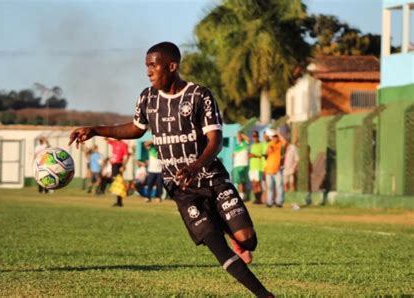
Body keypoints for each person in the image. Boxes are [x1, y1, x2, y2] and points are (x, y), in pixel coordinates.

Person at [69, 42, 273, 297]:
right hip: (182, 188)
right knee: (216, 246)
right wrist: (96, 129)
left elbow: (215, 141)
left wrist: (196, 165)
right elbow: (135, 129)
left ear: (172, 66)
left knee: (248, 239)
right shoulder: (147, 98)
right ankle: (265, 295)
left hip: (213, 179)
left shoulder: (199, 96)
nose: (148, 72)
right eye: (147, 66)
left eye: (153, 65)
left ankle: (230, 230)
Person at [264, 129, 287, 207]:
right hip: (269, 169)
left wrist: (278, 133)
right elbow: (267, 153)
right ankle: (269, 202)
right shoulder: (270, 144)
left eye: (276, 137)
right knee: (270, 186)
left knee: (279, 186)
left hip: (277, 169)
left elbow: (285, 142)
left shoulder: (280, 144)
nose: (275, 138)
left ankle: (279, 202)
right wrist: (269, 150)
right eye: (273, 137)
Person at [107, 138, 130, 207]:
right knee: (115, 181)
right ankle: (118, 201)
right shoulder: (114, 142)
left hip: (118, 165)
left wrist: (123, 166)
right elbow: (105, 138)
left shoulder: (123, 144)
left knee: (118, 182)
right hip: (113, 165)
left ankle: (119, 201)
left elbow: (126, 156)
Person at [248, 131, 267, 205]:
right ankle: (256, 199)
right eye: (253, 136)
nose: (254, 138)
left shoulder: (261, 144)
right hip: (252, 167)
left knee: (257, 183)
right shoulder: (252, 145)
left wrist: (254, 155)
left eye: (256, 136)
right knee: (253, 183)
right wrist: (250, 156)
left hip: (258, 167)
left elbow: (263, 155)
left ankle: (259, 199)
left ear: (258, 136)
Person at [232, 131, 250, 201]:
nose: (238, 137)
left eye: (239, 136)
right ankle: (240, 195)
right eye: (238, 136)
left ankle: (243, 196)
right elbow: (233, 155)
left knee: (242, 182)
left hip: (243, 164)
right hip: (236, 165)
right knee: (238, 181)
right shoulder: (236, 145)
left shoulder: (245, 143)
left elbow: (248, 139)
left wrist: (241, 134)